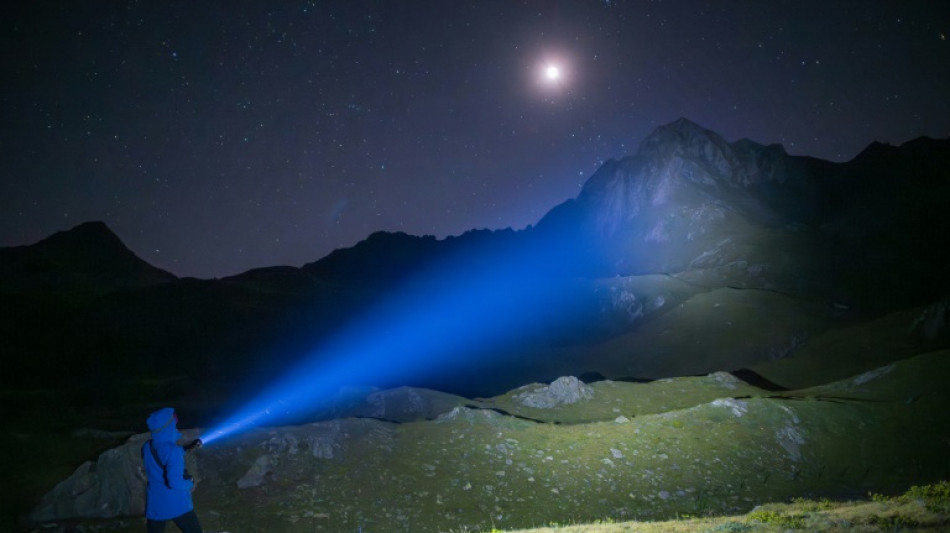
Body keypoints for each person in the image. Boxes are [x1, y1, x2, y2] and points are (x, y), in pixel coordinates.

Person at [143, 407, 203, 533]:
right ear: (168, 426)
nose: (176, 426)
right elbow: (174, 483)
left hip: (156, 502)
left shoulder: (147, 446)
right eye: (174, 423)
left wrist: (187, 448)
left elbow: (162, 455)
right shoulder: (172, 451)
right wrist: (190, 482)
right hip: (176, 502)